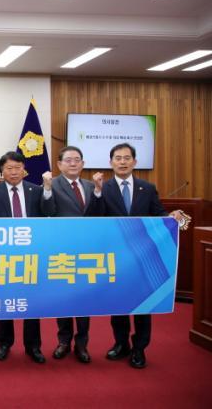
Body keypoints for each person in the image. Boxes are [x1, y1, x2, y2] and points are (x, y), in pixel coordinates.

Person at [90, 142, 183, 369]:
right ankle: (121, 344)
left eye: (126, 158)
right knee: (119, 303)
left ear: (135, 162)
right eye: (118, 158)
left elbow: (158, 214)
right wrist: (97, 192)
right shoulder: (104, 188)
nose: (122, 162)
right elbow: (94, 218)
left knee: (143, 304)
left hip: (143, 256)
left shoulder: (147, 188)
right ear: (111, 162)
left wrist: (171, 216)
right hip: (116, 257)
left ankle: (139, 348)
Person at [0, 151, 54, 364]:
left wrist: (48, 190)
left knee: (31, 301)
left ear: (24, 169)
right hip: (4, 256)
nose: (13, 172)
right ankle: (3, 343)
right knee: (5, 300)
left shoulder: (36, 189)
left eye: (17, 168)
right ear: (2, 170)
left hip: (30, 254)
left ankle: (33, 346)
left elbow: (49, 212)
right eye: (9, 168)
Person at [49, 146, 96, 364]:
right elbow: (46, 211)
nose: (73, 163)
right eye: (68, 160)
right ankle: (64, 341)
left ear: (83, 164)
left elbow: (99, 215)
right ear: (59, 164)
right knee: (64, 298)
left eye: (77, 159)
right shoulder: (51, 185)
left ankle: (82, 344)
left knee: (84, 299)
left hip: (88, 252)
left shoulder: (91, 186)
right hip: (63, 252)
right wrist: (46, 190)